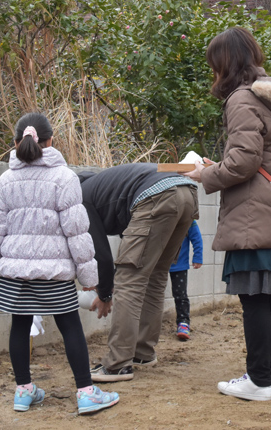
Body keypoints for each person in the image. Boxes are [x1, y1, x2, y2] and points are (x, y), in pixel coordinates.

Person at [182, 27, 271, 401]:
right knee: (270, 297)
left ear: (226, 64)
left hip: (256, 216)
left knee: (255, 298)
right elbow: (260, 155)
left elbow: (243, 162)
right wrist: (222, 164)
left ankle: (258, 381)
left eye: (215, 66)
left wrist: (204, 174)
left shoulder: (242, 99)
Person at [0, 113, 119, 415]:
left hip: (15, 273)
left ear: (16, 143)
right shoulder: (65, 178)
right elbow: (77, 233)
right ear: (51, 141)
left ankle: (23, 391)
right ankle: (85, 393)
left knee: (19, 324)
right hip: (54, 273)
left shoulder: (6, 180)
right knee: (69, 324)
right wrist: (88, 277)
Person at [78, 163, 199, 382]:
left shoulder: (81, 199)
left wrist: (105, 294)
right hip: (187, 193)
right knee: (156, 276)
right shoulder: (107, 185)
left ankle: (117, 364)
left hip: (158, 196)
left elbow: (103, 256)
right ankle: (142, 353)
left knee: (129, 281)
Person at [169, 220, 203, 341]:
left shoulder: (188, 218)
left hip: (179, 264)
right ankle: (150, 325)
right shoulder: (158, 213)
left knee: (180, 295)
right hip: (158, 265)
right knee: (153, 296)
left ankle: (183, 322)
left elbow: (196, 237)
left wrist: (198, 256)